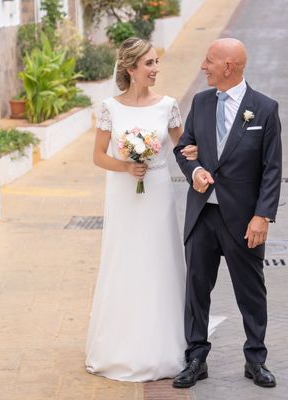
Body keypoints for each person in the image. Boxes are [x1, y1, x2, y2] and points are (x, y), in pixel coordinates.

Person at [85, 37, 198, 382]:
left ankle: (163, 345)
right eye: (149, 63)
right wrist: (125, 167)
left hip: (158, 194)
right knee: (124, 260)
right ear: (131, 68)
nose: (156, 69)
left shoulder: (168, 105)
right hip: (124, 194)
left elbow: (183, 147)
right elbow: (99, 155)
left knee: (158, 259)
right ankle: (118, 346)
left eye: (156, 62)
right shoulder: (110, 107)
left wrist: (196, 156)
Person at [172, 38, 283, 389]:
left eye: (209, 61)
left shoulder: (264, 109)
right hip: (203, 215)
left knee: (251, 291)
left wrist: (262, 215)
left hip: (243, 219)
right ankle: (195, 359)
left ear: (228, 67)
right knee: (196, 289)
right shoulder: (201, 102)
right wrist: (195, 172)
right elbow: (183, 148)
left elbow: (272, 168)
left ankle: (256, 361)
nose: (203, 67)